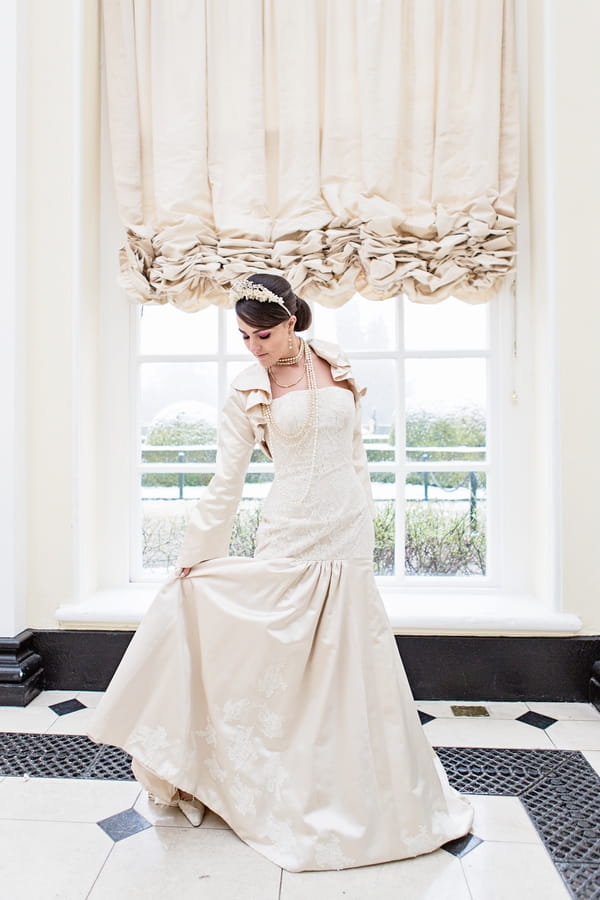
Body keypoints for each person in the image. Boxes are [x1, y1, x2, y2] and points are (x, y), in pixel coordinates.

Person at [89, 273, 473, 872]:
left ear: (293, 321)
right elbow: (227, 479)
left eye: (262, 334)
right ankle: (261, 779)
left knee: (350, 657)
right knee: (283, 657)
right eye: (243, 336)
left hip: (345, 530)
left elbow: (356, 456)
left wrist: (365, 529)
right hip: (289, 528)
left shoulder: (337, 362)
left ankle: (362, 789)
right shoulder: (248, 391)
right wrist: (197, 550)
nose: (253, 347)